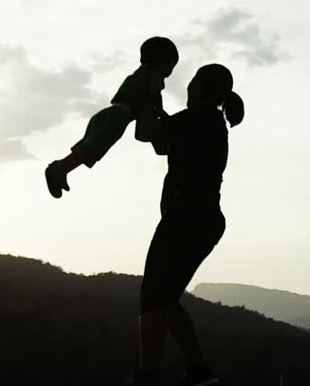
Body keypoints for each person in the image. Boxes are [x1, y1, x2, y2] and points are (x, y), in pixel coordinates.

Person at [132, 63, 244, 386]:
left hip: (186, 218)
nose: (188, 86)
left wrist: (146, 94)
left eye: (193, 81)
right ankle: (199, 372)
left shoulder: (199, 118)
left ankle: (148, 375)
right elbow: (160, 144)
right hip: (202, 220)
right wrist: (154, 102)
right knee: (166, 299)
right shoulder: (207, 122)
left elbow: (145, 133)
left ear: (202, 88)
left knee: (153, 296)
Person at [44, 37, 178, 198]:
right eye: (171, 65)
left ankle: (61, 168)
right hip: (118, 118)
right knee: (91, 150)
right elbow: (153, 96)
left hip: (107, 113)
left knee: (87, 149)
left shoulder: (137, 75)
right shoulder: (154, 74)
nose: (170, 72)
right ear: (164, 62)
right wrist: (160, 115)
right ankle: (58, 169)